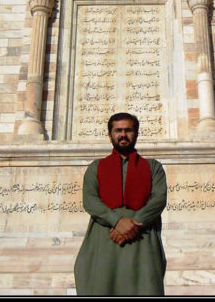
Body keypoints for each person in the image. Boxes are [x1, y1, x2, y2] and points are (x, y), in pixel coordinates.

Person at [74, 112, 168, 296]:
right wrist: (116, 221)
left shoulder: (153, 167)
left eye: (128, 130)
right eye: (118, 130)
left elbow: (158, 200)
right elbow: (90, 200)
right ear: (110, 135)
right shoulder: (96, 167)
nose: (123, 135)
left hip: (142, 237)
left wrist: (134, 222)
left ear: (136, 133)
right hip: (105, 237)